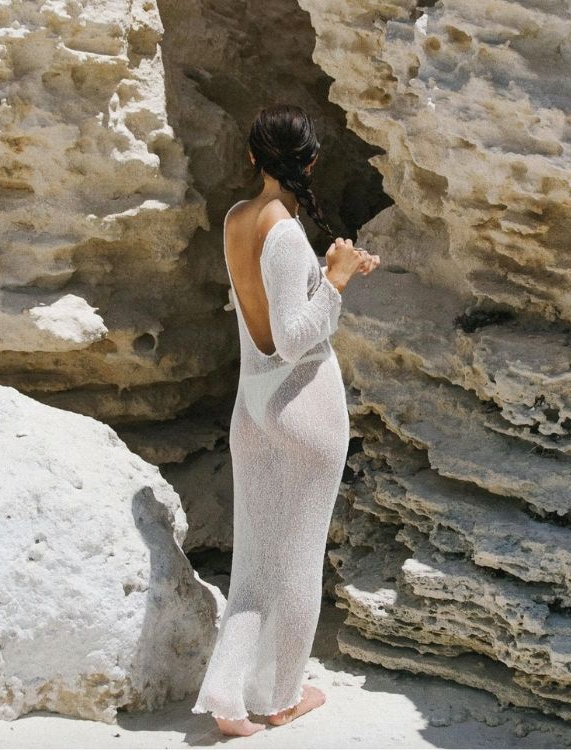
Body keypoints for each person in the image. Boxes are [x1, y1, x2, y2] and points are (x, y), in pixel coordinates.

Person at [191, 104, 380, 737]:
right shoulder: (284, 232)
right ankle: (278, 699)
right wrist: (337, 281)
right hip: (303, 409)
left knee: (254, 565)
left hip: (253, 407)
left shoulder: (235, 219)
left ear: (251, 157)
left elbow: (260, 327)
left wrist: (328, 273)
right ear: (312, 160)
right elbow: (292, 339)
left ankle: (225, 696)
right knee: (296, 563)